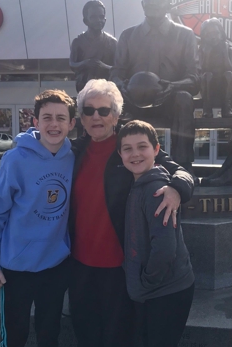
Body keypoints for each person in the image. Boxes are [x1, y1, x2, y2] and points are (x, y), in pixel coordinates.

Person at [69, 79, 194, 347]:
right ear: (81, 117)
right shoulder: (74, 151)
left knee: (118, 338)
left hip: (119, 268)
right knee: (85, 335)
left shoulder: (131, 146)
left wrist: (176, 189)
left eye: (104, 110)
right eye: (89, 111)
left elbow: (181, 170)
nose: (96, 117)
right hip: (80, 266)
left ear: (116, 115)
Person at [0, 89, 76, 347]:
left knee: (49, 334)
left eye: (60, 118)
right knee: (14, 335)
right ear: (35, 122)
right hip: (16, 267)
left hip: (55, 265)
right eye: (46, 117)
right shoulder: (15, 159)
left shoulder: (74, 158)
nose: (53, 124)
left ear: (72, 124)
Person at [117, 120, 195, 347]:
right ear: (120, 154)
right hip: (155, 290)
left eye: (142, 147)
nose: (135, 154)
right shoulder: (139, 183)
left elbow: (164, 248)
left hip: (164, 292)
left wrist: (145, 283)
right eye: (127, 149)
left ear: (156, 150)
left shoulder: (156, 191)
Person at [110, 0, 199, 170]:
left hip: (169, 102)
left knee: (184, 98)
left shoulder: (185, 35)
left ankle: (182, 167)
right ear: (143, 4)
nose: (153, 4)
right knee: (112, 101)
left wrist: (172, 86)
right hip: (133, 102)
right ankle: (117, 165)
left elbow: (194, 79)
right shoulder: (128, 36)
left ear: (168, 4)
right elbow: (116, 74)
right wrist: (121, 86)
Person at [69, 0, 117, 93]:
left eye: (101, 17)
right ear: (85, 21)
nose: (98, 20)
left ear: (105, 19)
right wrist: (85, 63)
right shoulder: (78, 41)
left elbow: (118, 68)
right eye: (93, 17)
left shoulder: (112, 42)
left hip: (106, 90)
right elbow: (72, 64)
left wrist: (103, 66)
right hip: (84, 88)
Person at [199, 18, 232, 118]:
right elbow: (202, 69)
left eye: (216, 33)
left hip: (225, 86)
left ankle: (226, 107)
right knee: (207, 75)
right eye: (209, 34)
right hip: (208, 86)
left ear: (221, 34)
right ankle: (207, 107)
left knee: (229, 75)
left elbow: (230, 68)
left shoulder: (230, 50)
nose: (213, 37)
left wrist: (224, 52)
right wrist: (207, 54)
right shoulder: (202, 50)